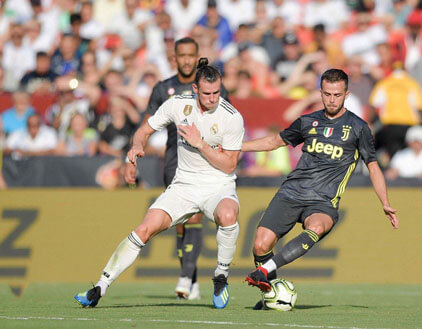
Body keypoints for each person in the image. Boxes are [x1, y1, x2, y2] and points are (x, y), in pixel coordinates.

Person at [75, 58, 244, 310]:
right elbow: (144, 130)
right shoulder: (177, 105)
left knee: (229, 215)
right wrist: (134, 149)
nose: (213, 98)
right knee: (144, 229)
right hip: (184, 185)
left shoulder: (231, 117)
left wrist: (200, 144)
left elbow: (229, 165)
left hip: (217, 185)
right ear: (195, 89)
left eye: (217, 92)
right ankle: (99, 287)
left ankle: (220, 276)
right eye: (207, 93)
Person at [241, 69, 398, 309]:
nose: (332, 99)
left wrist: (385, 202)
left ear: (346, 94)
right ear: (320, 93)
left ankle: (264, 271)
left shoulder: (358, 127)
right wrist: (237, 146)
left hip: (323, 201)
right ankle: (271, 293)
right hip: (291, 192)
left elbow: (373, 166)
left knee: (318, 226)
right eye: (327, 94)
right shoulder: (307, 121)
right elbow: (275, 141)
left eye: (337, 94)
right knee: (261, 244)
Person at [124, 37, 228, 300]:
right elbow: (147, 125)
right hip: (175, 159)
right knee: (180, 223)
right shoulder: (163, 89)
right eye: (181, 55)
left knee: (195, 217)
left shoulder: (210, 86)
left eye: (190, 55)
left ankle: (186, 277)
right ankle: (190, 276)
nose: (186, 60)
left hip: (204, 159)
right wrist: (134, 151)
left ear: (197, 56)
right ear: (175, 58)